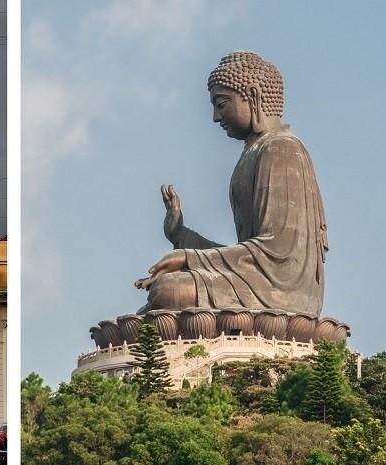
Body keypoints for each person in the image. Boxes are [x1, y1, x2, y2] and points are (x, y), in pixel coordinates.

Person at [134, 51, 327, 318]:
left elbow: (277, 255)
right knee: (152, 305)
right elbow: (251, 255)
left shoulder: (281, 149)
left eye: (222, 103)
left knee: (169, 291)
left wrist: (190, 258)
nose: (215, 116)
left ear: (253, 95)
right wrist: (181, 236)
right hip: (255, 280)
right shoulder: (254, 152)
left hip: (281, 293)